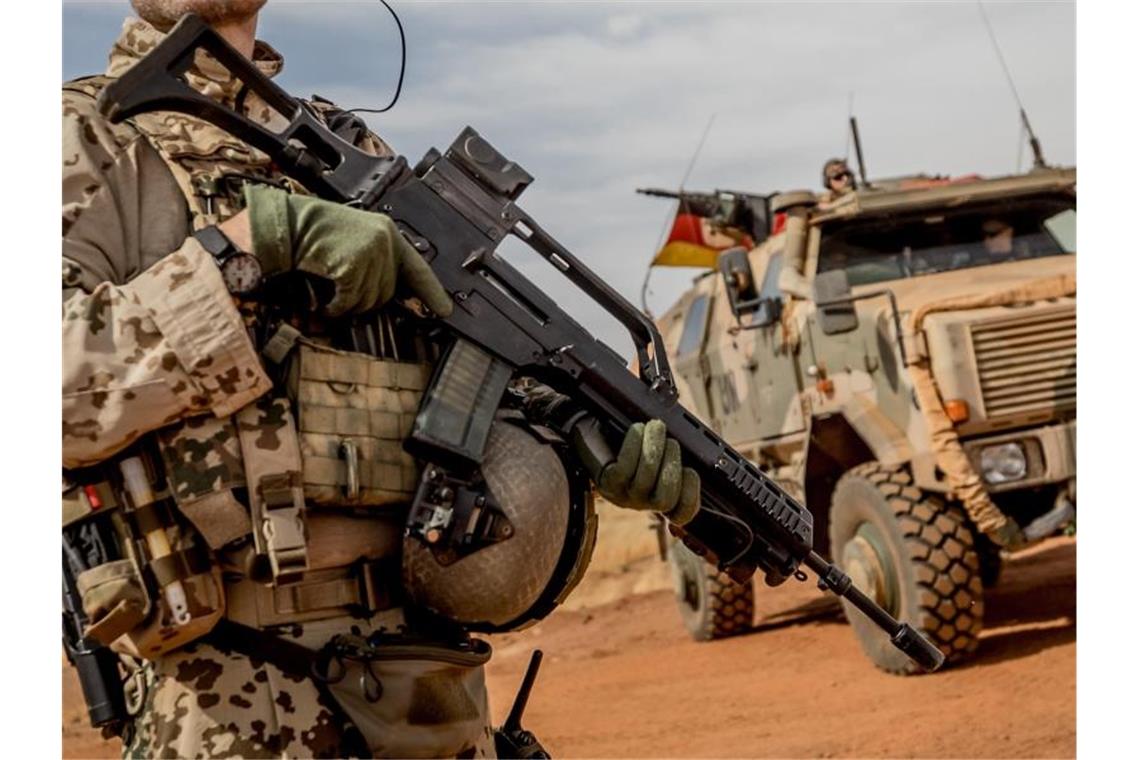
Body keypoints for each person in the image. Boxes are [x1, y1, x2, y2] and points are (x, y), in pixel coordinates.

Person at [62, 3, 698, 757]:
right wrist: (245, 249)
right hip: (223, 703)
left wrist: (577, 436)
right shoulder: (80, 136)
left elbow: (458, 381)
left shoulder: (347, 148)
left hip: (429, 688)